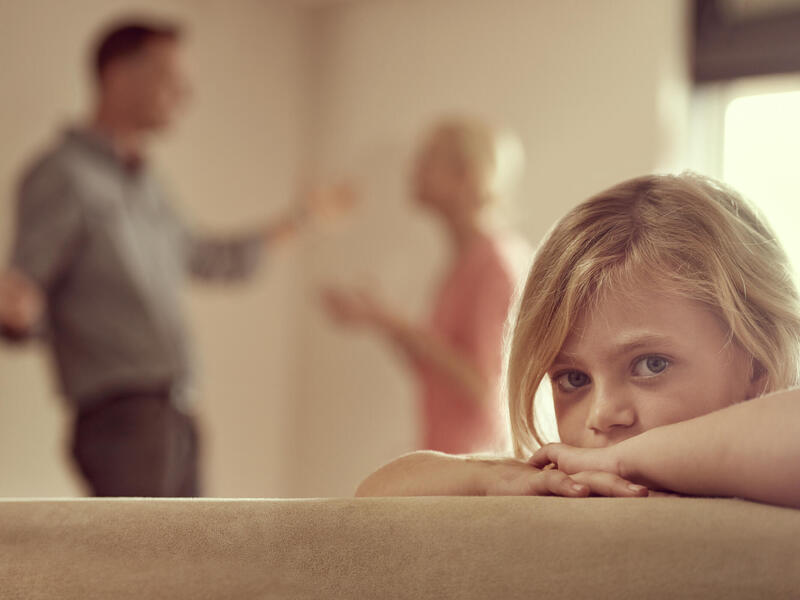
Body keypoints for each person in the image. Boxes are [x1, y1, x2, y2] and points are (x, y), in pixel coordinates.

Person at [0, 20, 351, 497]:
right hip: (121, 419)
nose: (185, 94)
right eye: (171, 77)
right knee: (137, 570)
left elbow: (209, 258)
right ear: (119, 75)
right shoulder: (60, 174)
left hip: (176, 415)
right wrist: (21, 317)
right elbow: (23, 297)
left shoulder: (149, 185)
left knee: (190, 570)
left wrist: (302, 220)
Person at [356, 172, 800, 510]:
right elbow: (375, 494)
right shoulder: (572, 481)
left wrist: (627, 460)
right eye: (573, 378)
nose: (602, 415)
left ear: (758, 365)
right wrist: (491, 476)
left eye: (651, 365)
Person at [323, 118, 526, 454]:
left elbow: (485, 385)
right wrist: (379, 320)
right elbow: (437, 369)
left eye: (429, 157)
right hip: (449, 456)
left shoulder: (495, 264)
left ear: (466, 175)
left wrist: (390, 322)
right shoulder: (463, 261)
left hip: (475, 464)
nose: (413, 168)